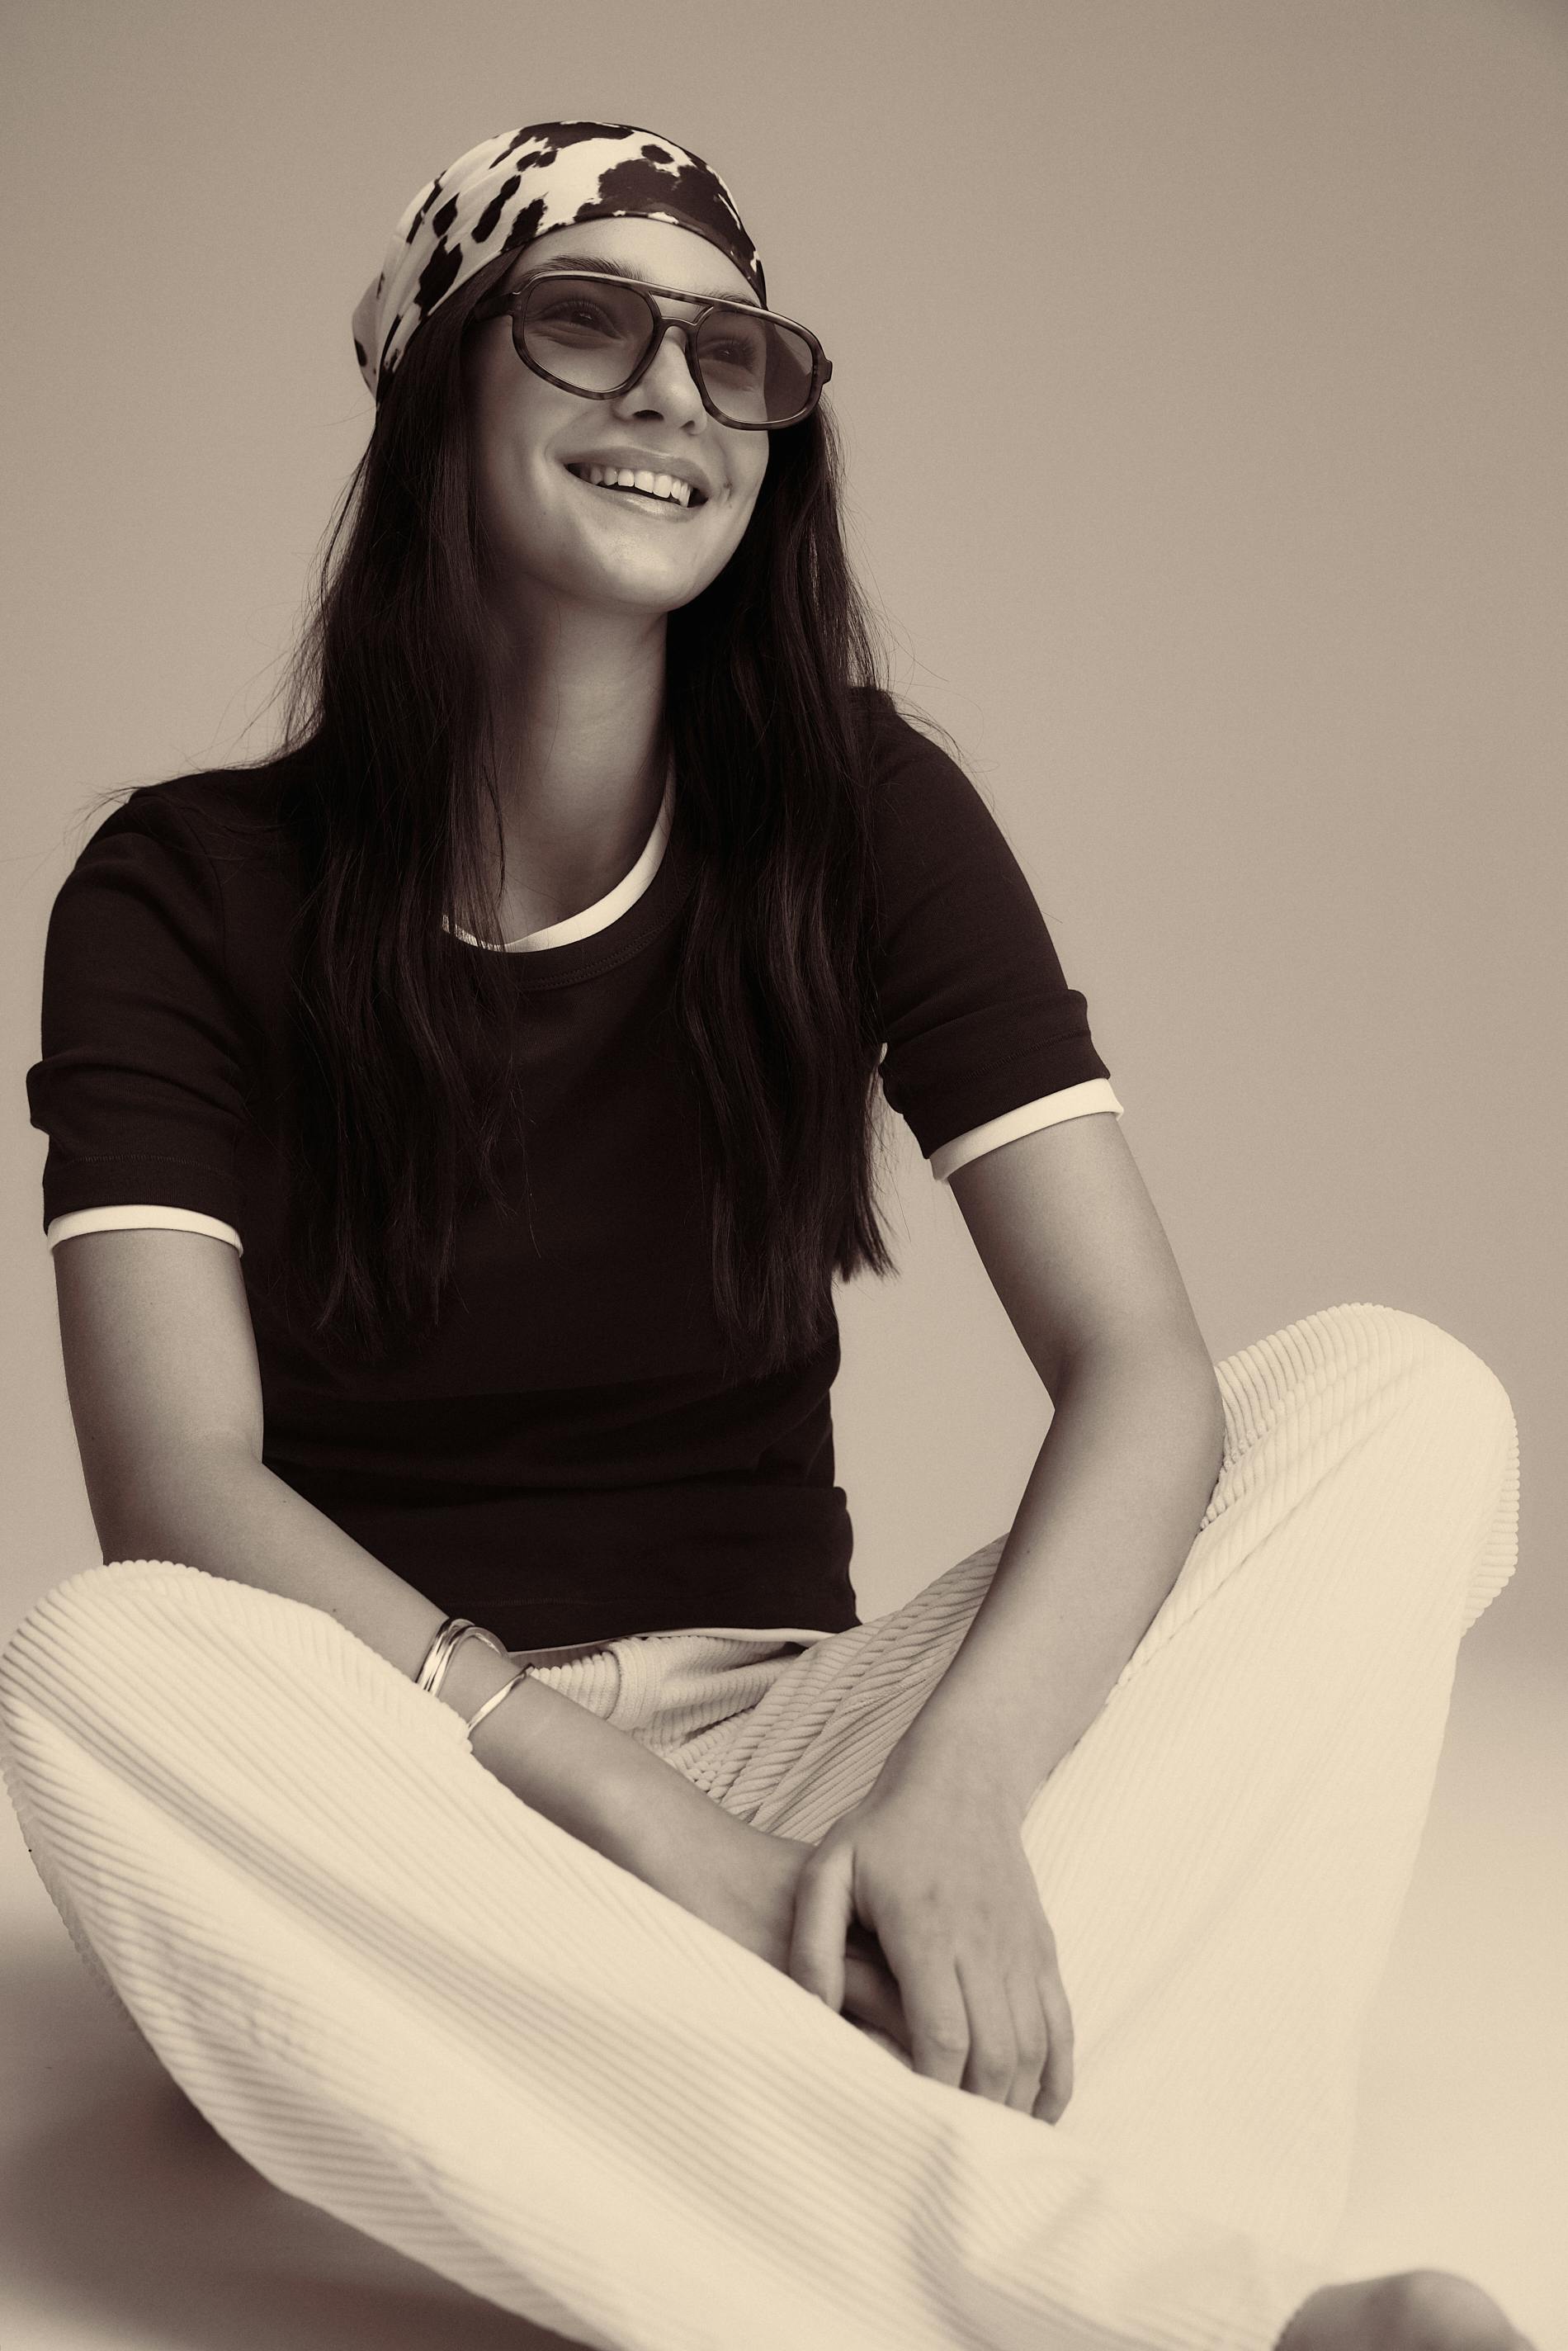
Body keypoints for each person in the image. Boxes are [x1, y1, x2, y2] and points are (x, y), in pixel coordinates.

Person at [0, 119, 1533, 2351]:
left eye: (739, 356)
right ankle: (1187, 2292)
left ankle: (906, 2199)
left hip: (808, 1738)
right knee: (106, 1660)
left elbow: (1135, 1363)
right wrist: (658, 1842)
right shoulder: (177, 891)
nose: (675, 394)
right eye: (586, 322)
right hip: (416, 1792)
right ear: (432, 384)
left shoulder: (857, 807)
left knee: (1400, 1397)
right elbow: (179, 1486)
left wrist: (955, 1800)